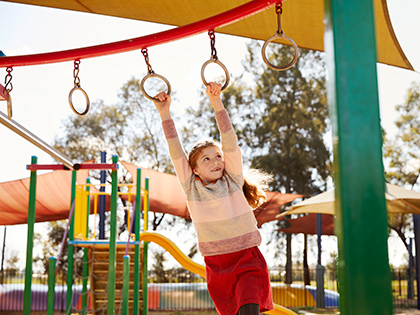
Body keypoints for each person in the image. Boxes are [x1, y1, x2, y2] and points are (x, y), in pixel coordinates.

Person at [152, 82, 274, 315]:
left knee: (249, 309)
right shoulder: (192, 188)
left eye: (217, 156)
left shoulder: (233, 180)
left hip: (247, 258)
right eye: (206, 159)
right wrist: (164, 113)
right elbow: (176, 151)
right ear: (194, 170)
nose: (215, 161)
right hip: (217, 265)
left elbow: (229, 141)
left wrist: (216, 102)